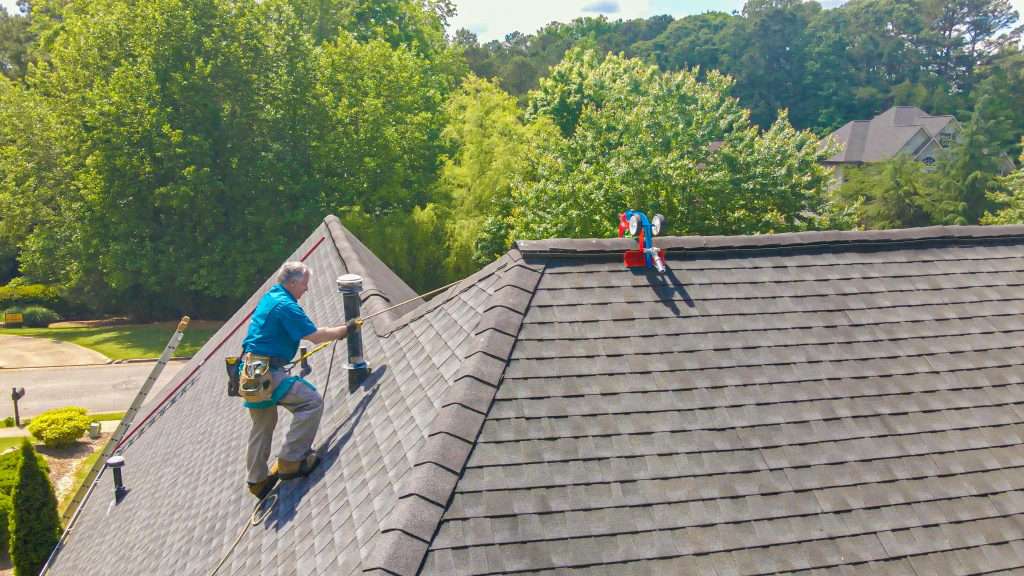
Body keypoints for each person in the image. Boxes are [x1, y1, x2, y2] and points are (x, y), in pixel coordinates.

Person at [242, 261, 361, 498]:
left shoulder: (270, 297)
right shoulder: (285, 305)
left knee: (263, 423)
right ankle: (291, 461)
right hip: (267, 370)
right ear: (293, 282)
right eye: (304, 284)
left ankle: (256, 481)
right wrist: (345, 330)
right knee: (311, 401)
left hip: (250, 372)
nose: (306, 289)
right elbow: (315, 336)